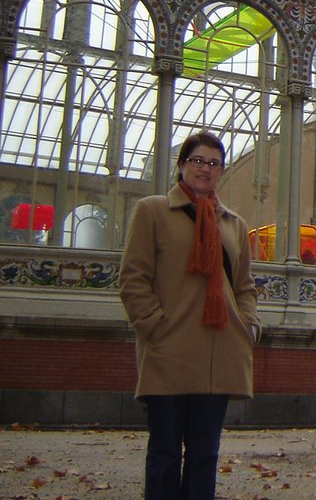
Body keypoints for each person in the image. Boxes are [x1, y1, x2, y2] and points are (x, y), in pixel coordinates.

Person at [119, 131, 260, 500]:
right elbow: (133, 278)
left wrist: (248, 326)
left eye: (214, 164)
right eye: (198, 161)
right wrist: (155, 327)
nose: (205, 169)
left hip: (218, 353)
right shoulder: (153, 211)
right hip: (169, 353)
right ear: (182, 165)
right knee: (165, 452)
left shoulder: (234, 224)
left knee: (204, 456)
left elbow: (245, 286)